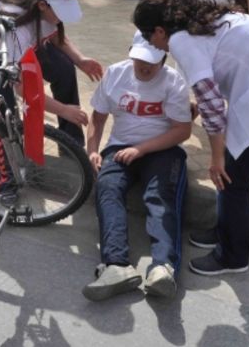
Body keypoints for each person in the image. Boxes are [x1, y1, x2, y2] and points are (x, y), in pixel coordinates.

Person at [133, 0, 249, 276]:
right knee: (233, 171)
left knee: (230, 175)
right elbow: (212, 84)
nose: (151, 44)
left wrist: (216, 157)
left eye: (147, 36)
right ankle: (224, 230)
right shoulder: (211, 18)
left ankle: (233, 256)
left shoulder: (180, 40)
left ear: (159, 30)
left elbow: (213, 106)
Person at [0, 0, 100, 205]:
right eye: (61, 11)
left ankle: (70, 145)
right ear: (43, 5)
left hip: (21, 42)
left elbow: (56, 33)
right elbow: (23, 90)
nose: (63, 16)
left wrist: (80, 59)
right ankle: (6, 181)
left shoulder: (41, 8)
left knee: (65, 69)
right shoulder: (18, 27)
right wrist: (64, 109)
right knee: (5, 114)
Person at [82, 32, 191, 301]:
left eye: (151, 62)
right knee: (107, 188)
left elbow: (182, 131)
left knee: (159, 195)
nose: (144, 67)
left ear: (163, 59)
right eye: (139, 60)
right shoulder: (116, 74)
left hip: (163, 148)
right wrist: (93, 150)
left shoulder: (174, 82)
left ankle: (163, 267)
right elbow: (98, 117)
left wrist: (141, 149)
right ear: (131, 52)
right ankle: (116, 266)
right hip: (120, 147)